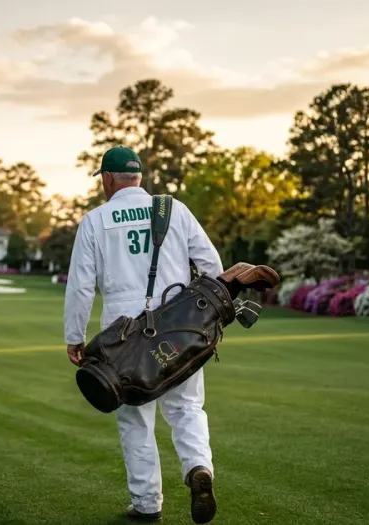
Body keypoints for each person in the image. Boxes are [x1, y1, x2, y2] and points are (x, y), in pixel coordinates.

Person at [63, 146, 224, 524]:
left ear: (107, 179)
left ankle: (147, 504)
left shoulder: (95, 220)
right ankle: (198, 466)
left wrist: (75, 336)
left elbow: (81, 287)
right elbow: (212, 266)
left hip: (123, 337)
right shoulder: (174, 209)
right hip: (179, 328)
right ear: (138, 177)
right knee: (186, 408)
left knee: (135, 419)